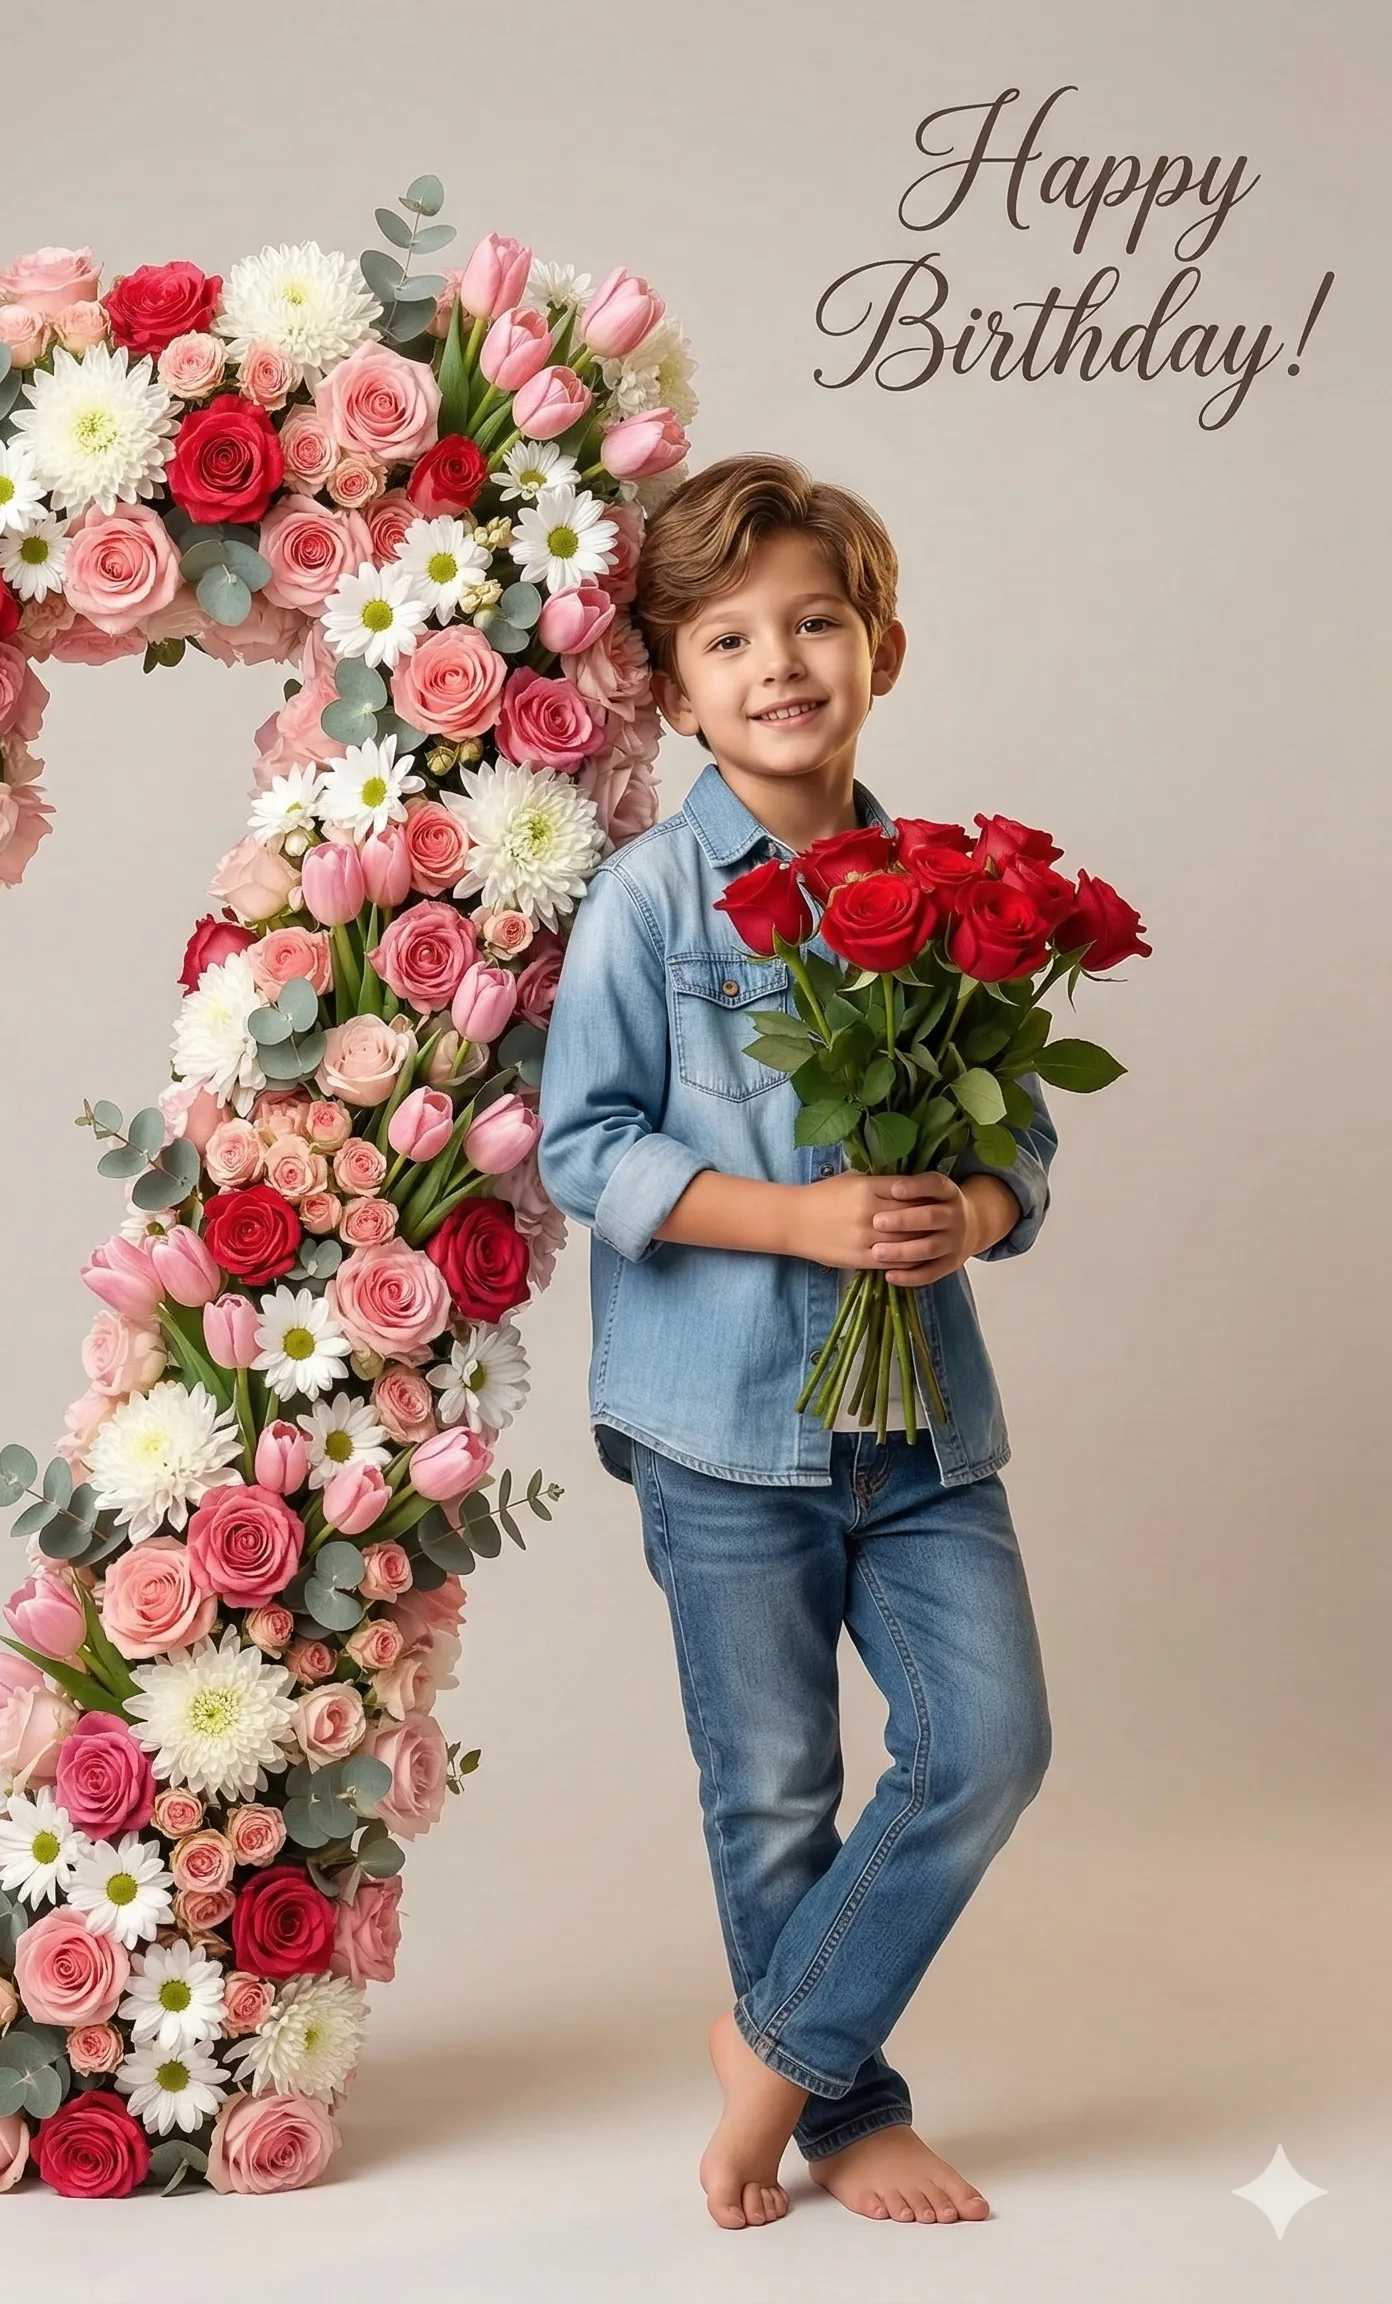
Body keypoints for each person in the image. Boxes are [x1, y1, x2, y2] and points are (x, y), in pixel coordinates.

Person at [537, 453, 1057, 2231]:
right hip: (718, 1423)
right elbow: (585, 1145)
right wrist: (799, 1220)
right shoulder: (652, 907)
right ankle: (850, 2109)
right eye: (730, 637)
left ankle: (767, 2054)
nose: (780, 663)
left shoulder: (953, 896)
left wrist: (969, 1216)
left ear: (881, 650)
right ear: (672, 686)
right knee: (775, 1791)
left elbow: (1016, 1141)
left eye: (816, 621)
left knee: (984, 1746)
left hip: (921, 1427)